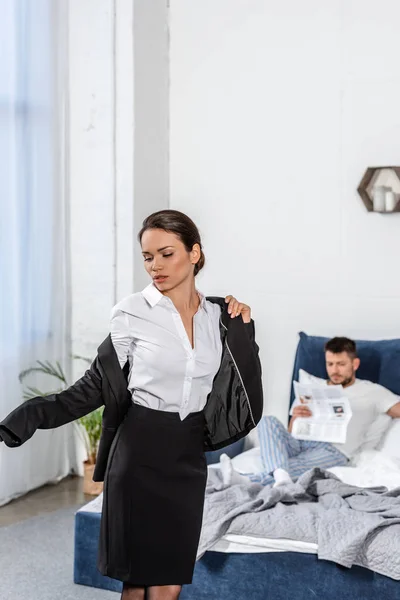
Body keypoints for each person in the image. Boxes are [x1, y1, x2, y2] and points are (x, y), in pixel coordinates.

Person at [0, 209, 263, 600]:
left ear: (194, 254)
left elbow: (240, 377)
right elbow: (93, 387)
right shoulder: (131, 313)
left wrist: (241, 319)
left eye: (166, 253)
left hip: (187, 456)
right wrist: (26, 418)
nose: (154, 265)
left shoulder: (220, 316)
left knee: (170, 583)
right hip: (139, 451)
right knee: (137, 582)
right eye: (147, 256)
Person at [220, 336, 400, 488]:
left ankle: (251, 479)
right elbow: (291, 432)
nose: (334, 370)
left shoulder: (373, 392)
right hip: (300, 442)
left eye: (341, 364)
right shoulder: (314, 388)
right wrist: (296, 417)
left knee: (290, 466)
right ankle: (280, 475)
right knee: (267, 421)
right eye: (330, 364)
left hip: (335, 450)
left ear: (355, 364)